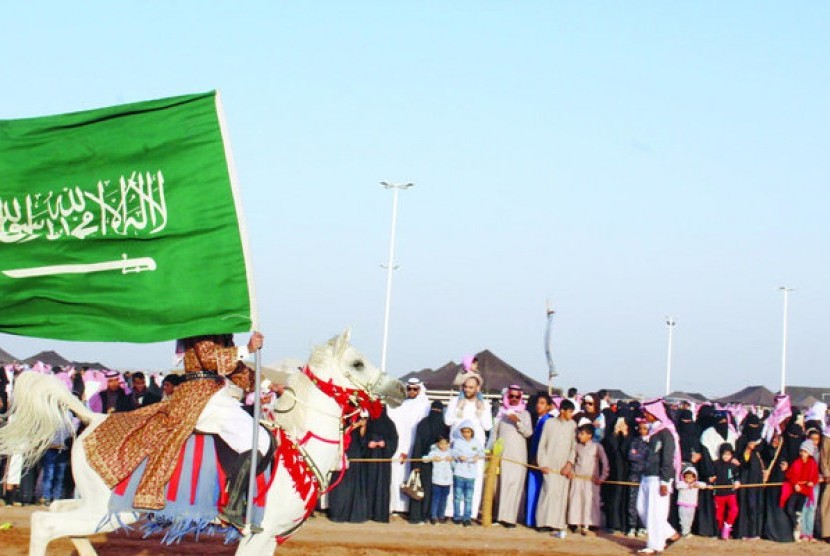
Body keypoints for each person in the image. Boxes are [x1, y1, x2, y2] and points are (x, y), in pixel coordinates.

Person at [83, 332, 268, 530]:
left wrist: (258, 382)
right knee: (258, 441)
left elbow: (233, 368)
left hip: (216, 393)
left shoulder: (222, 333)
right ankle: (232, 507)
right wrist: (246, 349)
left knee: (259, 439)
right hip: (202, 396)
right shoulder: (202, 326)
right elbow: (209, 359)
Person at [444, 373, 492, 520]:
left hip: (475, 449)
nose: (467, 389)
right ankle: (451, 512)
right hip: (457, 445)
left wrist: (481, 410)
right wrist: (458, 408)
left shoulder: (485, 404)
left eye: (471, 387)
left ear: (477, 388)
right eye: (465, 386)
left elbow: (488, 425)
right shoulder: (454, 401)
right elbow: (447, 421)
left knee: (474, 481)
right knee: (454, 480)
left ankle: (469, 513)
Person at [636, 399, 681, 554]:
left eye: (647, 413)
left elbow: (668, 458)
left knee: (655, 512)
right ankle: (670, 534)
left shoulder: (666, 433)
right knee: (641, 509)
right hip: (647, 475)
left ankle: (655, 546)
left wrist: (665, 481)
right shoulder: (653, 432)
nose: (645, 415)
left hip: (659, 478)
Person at [387, 377, 431, 516]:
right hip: (399, 446)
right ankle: (395, 506)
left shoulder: (425, 406)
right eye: (409, 389)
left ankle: (407, 508)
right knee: (395, 476)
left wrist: (408, 449)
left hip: (414, 447)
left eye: (415, 389)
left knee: (411, 477)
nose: (411, 391)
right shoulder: (403, 404)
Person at [490, 385, 532, 528]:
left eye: (517, 396)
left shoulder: (525, 414)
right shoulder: (501, 414)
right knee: (501, 486)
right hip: (502, 455)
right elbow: (495, 434)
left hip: (518, 456)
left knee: (514, 486)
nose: (514, 399)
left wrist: (517, 421)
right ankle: (499, 516)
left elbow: (528, 433)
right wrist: (492, 451)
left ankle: (510, 518)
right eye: (511, 396)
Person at [536, 399, 576, 538]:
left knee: (561, 494)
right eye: (570, 411)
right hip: (549, 464)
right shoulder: (549, 423)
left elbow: (573, 447)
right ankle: (542, 522)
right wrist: (543, 463)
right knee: (548, 491)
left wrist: (569, 464)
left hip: (564, 466)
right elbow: (542, 444)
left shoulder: (573, 425)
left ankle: (557, 523)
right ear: (562, 411)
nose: (571, 414)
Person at [408, 400, 449, 524]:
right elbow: (418, 444)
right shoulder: (423, 424)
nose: (435, 413)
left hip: (439, 465)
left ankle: (430, 515)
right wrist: (416, 464)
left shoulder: (444, 427)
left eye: (438, 411)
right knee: (420, 489)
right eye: (434, 410)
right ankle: (416, 516)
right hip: (424, 463)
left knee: (434, 491)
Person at [568, 423, 609, 535]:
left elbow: (605, 463)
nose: (580, 436)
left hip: (591, 479)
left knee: (589, 501)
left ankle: (587, 524)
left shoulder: (597, 447)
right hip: (578, 477)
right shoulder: (577, 446)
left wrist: (602, 477)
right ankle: (575, 523)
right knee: (576, 500)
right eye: (579, 433)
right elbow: (572, 460)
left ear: (590, 435)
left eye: (582, 434)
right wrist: (571, 472)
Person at [328, 417, 370, 523]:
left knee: (354, 486)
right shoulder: (341, 417)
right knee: (340, 487)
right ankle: (338, 514)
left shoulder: (361, 419)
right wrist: (352, 426)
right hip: (342, 454)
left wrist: (362, 426)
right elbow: (340, 433)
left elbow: (363, 440)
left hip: (355, 455)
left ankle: (354, 514)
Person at [364, 406, 399, 523]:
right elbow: (363, 438)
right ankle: (367, 512)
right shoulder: (369, 423)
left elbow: (394, 440)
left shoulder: (390, 424)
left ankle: (380, 514)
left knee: (382, 486)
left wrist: (386, 444)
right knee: (369, 484)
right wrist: (369, 443)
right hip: (370, 459)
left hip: (384, 460)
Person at [525, 393, 555, 528]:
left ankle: (541, 521)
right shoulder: (537, 419)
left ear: (549, 406)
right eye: (538, 402)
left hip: (543, 462)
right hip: (533, 460)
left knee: (542, 491)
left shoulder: (550, 421)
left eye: (543, 403)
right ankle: (531, 519)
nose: (539, 405)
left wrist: (541, 460)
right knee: (533, 490)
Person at [780, 439, 820, 542]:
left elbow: (815, 476)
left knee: (801, 510)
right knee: (789, 508)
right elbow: (790, 474)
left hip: (805, 491)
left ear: (809, 453)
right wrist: (795, 483)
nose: (803, 453)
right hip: (795, 490)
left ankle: (805, 533)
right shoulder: (797, 462)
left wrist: (812, 482)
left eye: (805, 452)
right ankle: (796, 523)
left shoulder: (812, 464)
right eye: (802, 451)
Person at [734, 414, 766, 539]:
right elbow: (740, 461)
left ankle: (755, 531)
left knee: (756, 503)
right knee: (745, 502)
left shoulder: (761, 442)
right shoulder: (741, 440)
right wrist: (747, 450)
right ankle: (744, 531)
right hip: (745, 476)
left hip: (757, 476)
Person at [451, 420, 484, 527]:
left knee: (468, 497)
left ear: (472, 432)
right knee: (457, 496)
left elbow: (482, 452)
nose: (466, 434)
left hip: (471, 474)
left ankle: (467, 517)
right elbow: (454, 452)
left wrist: (477, 457)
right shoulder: (458, 441)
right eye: (464, 432)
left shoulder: (477, 442)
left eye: (468, 432)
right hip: (459, 472)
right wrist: (459, 456)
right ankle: (456, 516)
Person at [709, 443, 740, 540]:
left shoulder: (733, 465)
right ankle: (721, 532)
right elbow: (711, 475)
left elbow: (737, 476)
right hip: (718, 493)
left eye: (729, 454)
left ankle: (727, 527)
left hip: (731, 493)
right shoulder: (715, 464)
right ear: (721, 454)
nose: (726, 456)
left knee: (734, 510)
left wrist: (737, 481)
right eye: (724, 454)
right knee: (719, 514)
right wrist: (710, 479)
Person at [626, 419, 650, 537]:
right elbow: (630, 456)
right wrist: (640, 456)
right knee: (633, 501)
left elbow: (650, 457)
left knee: (645, 501)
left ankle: (642, 525)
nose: (642, 431)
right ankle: (632, 526)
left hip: (646, 475)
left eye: (644, 428)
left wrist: (638, 456)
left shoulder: (651, 441)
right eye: (640, 428)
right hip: (634, 474)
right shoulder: (635, 441)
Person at [424, 436, 453, 524]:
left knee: (444, 499)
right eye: (441, 444)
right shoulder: (434, 452)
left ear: (449, 444)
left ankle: (441, 516)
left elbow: (456, 464)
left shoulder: (451, 453)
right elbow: (424, 459)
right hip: (436, 480)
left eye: (446, 444)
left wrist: (452, 460)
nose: (443, 446)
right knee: (435, 499)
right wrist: (432, 458)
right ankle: (433, 516)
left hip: (447, 481)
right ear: (438, 444)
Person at [676, 464, 706, 537]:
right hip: (682, 504)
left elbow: (704, 485)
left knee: (690, 519)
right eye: (686, 477)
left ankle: (687, 531)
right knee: (683, 519)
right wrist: (688, 486)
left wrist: (697, 485)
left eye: (690, 477)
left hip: (691, 505)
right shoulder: (682, 483)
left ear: (694, 478)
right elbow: (677, 486)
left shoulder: (696, 484)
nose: (688, 479)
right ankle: (684, 531)